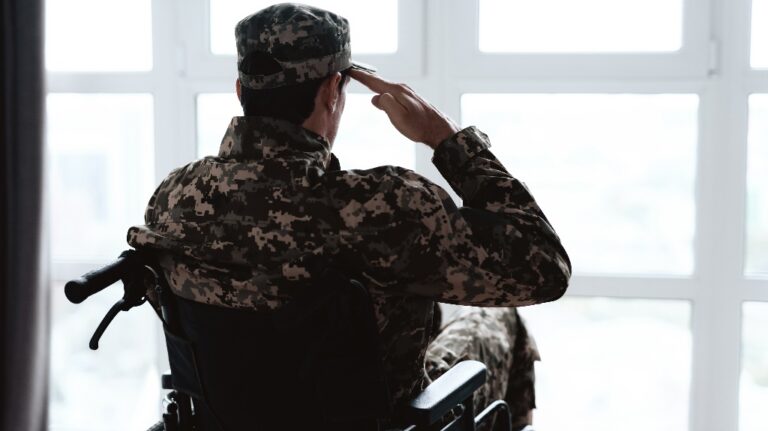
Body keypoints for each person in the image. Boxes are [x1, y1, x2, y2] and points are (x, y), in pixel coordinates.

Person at [127, 3, 571, 430]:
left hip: (228, 418)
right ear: (330, 92)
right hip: (384, 420)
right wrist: (445, 138)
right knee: (500, 322)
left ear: (241, 91)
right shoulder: (386, 209)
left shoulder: (173, 197)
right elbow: (545, 268)